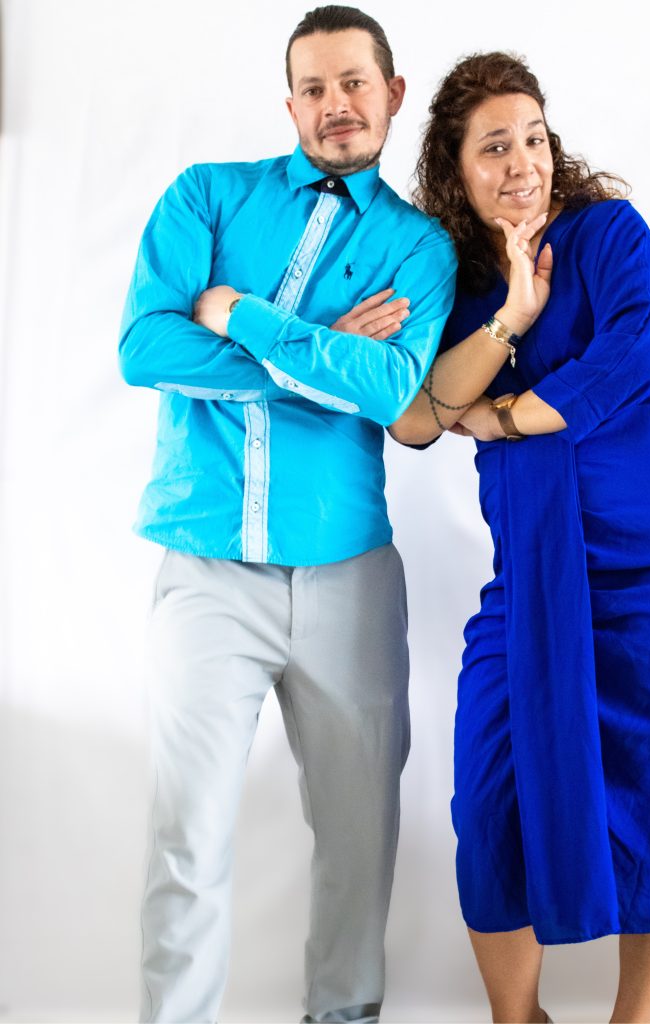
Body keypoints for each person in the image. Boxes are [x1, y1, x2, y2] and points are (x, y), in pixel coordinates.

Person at [390, 52, 650, 1024]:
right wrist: (512, 313)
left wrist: (507, 417)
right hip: (536, 576)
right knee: (491, 794)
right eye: (495, 147)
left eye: (535, 139)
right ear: (453, 170)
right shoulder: (456, 286)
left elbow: (644, 350)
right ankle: (520, 1019)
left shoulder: (608, 234)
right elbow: (419, 415)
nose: (522, 163)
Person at [118, 6, 456, 1022]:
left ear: (392, 94)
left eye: (354, 82)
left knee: (359, 841)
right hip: (205, 567)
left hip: (347, 575)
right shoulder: (206, 197)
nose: (335, 104)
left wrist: (250, 320)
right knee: (187, 831)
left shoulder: (422, 247)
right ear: (290, 103)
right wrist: (319, 353)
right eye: (313, 87)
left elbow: (395, 389)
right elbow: (145, 348)